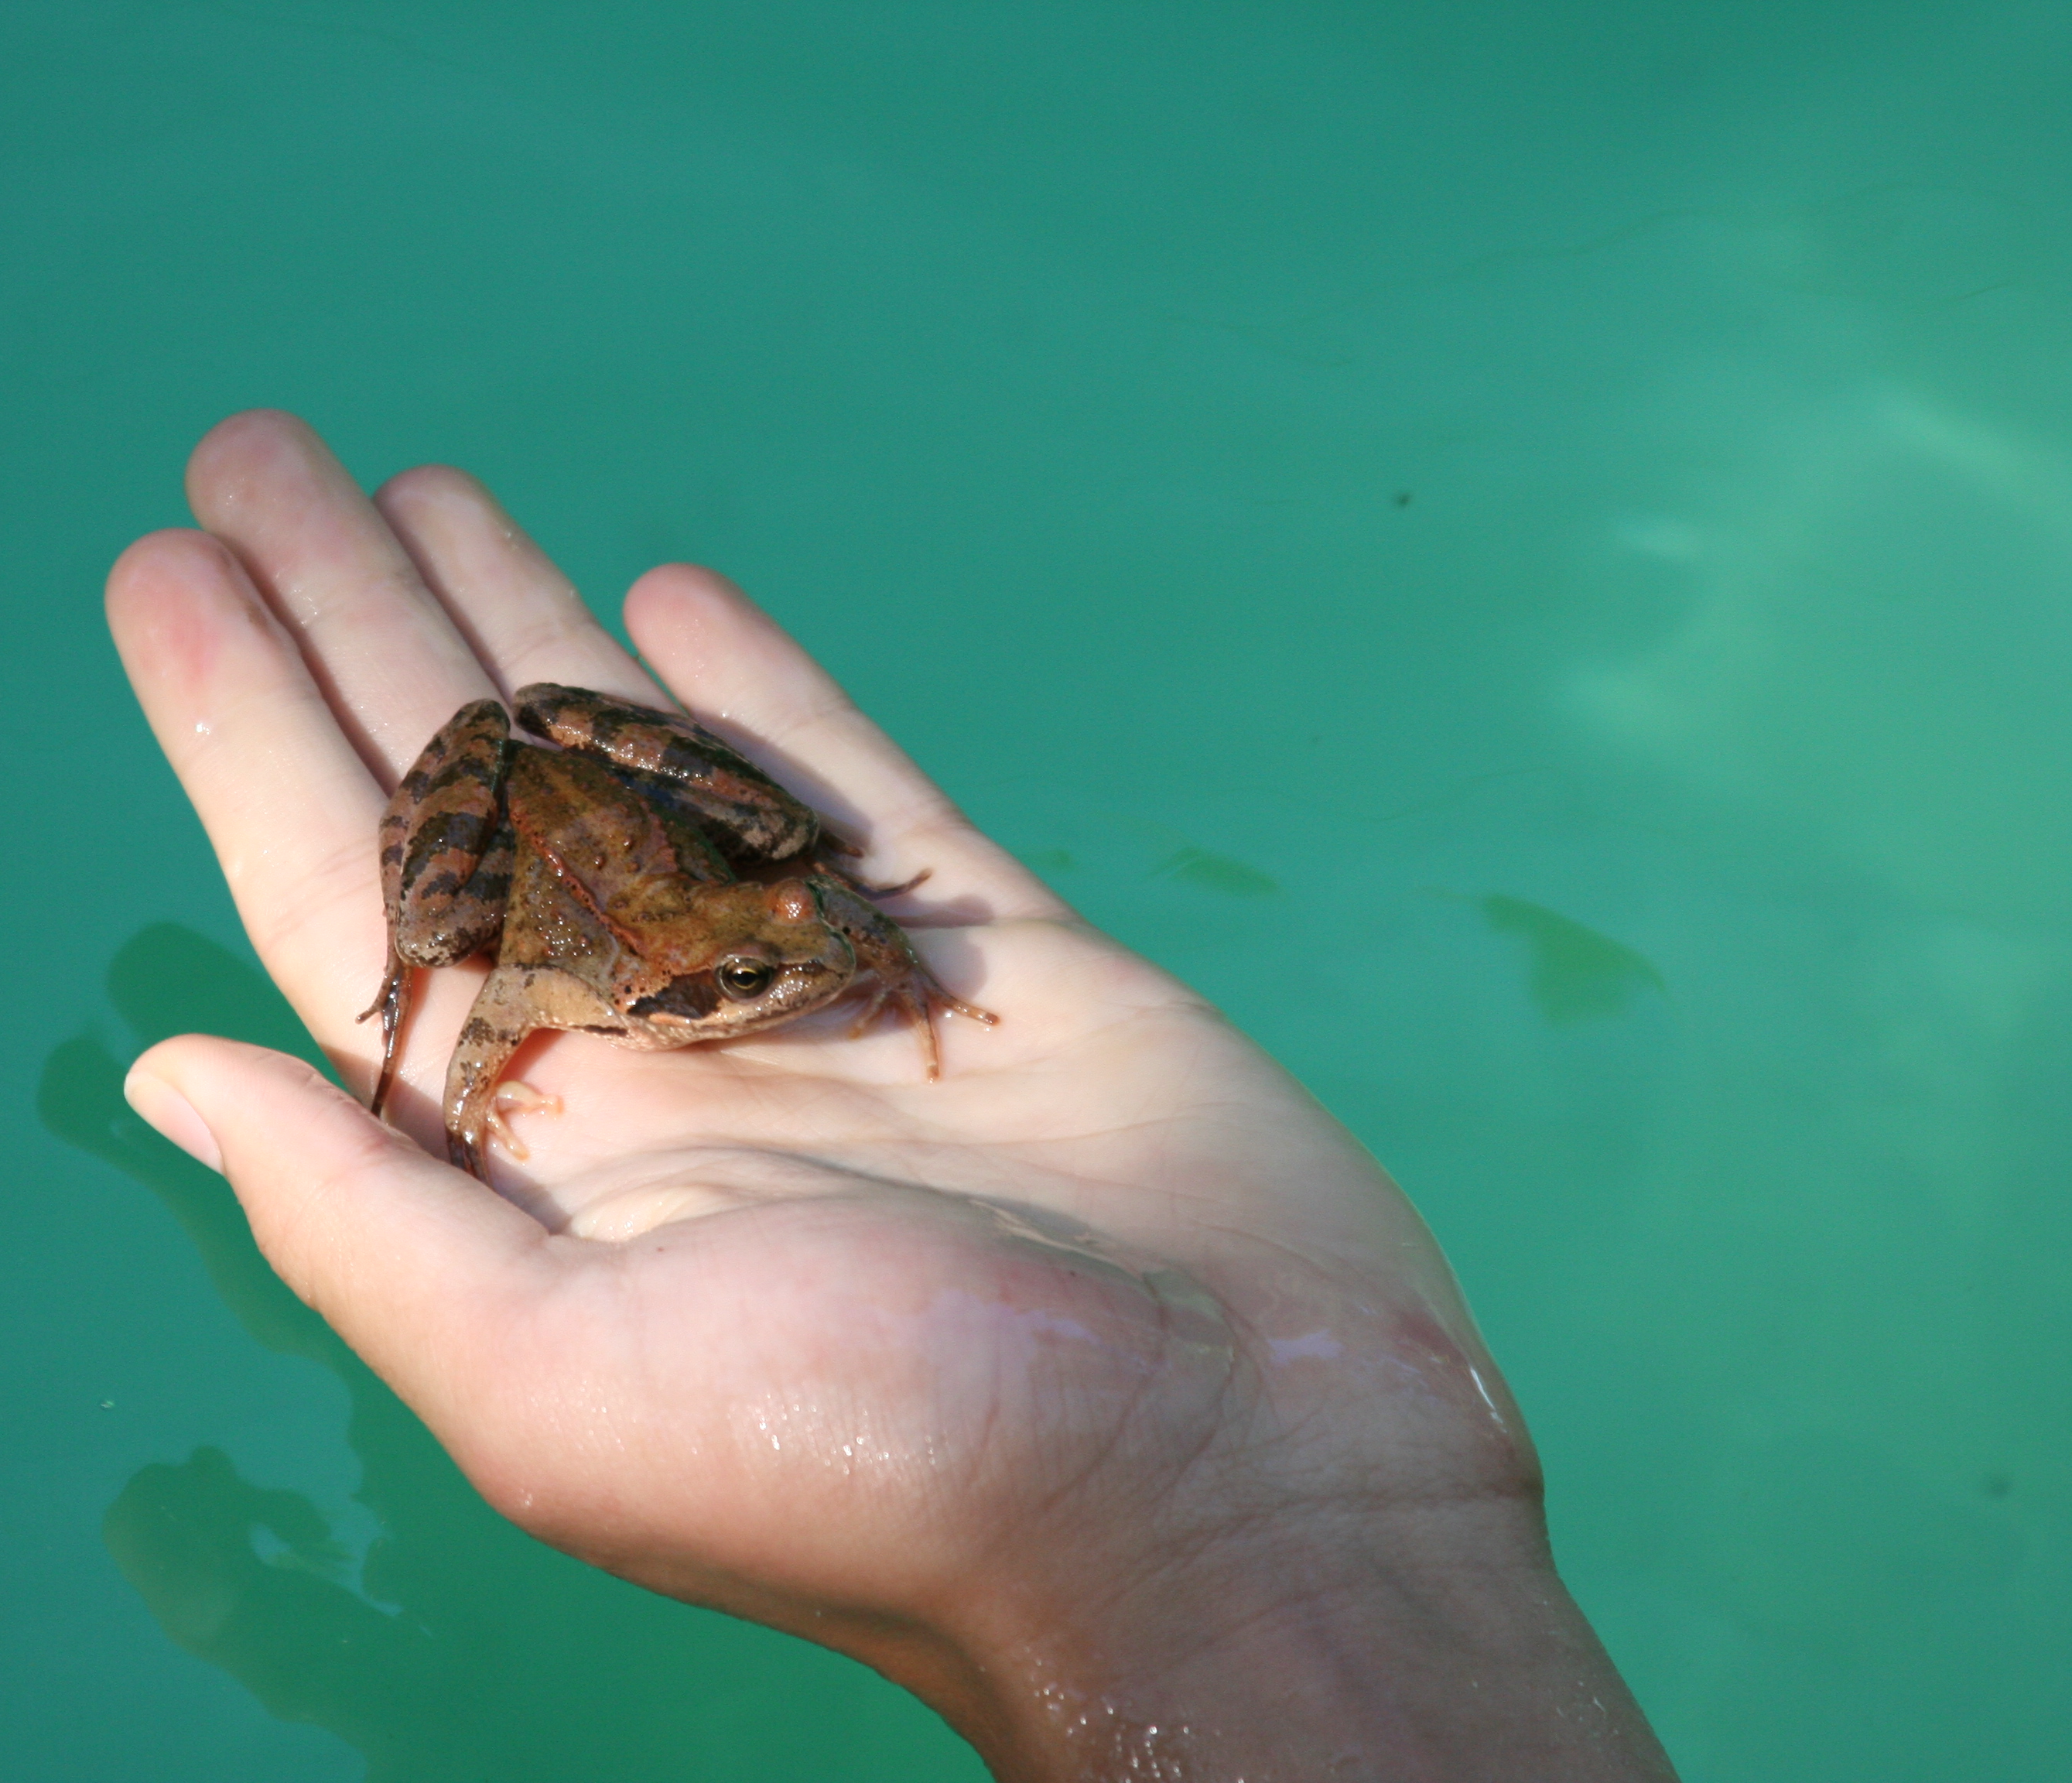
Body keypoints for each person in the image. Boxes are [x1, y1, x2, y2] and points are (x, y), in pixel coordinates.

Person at [107, 410, 1680, 1782]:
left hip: (652, 845)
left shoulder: (797, 932)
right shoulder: (598, 989)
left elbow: (817, 921)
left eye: (800, 965)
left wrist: (859, 945)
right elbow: (508, 994)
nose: (804, 979)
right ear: (678, 1002)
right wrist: (458, 1067)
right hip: (564, 873)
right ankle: (416, 921)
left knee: (788, 858)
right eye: (746, 997)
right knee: (450, 925)